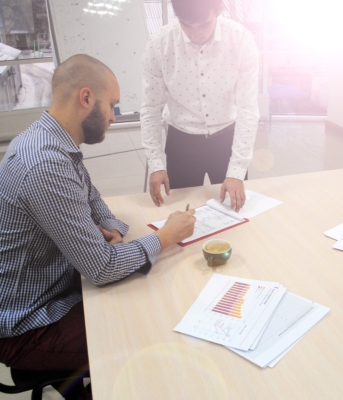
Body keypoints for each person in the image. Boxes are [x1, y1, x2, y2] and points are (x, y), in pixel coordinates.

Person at [0, 54, 196, 389]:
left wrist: (113, 233)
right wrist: (164, 236)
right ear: (86, 97)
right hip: (29, 324)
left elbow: (96, 204)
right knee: (150, 335)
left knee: (143, 298)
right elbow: (102, 270)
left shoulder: (54, 142)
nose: (114, 117)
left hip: (57, 288)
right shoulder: (45, 164)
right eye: (112, 106)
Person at [141, 0, 259, 212]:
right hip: (182, 142)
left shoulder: (241, 40)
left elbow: (248, 109)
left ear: (219, 9)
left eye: (204, 25)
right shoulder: (159, 44)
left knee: (235, 213)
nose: (195, 35)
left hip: (228, 140)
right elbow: (150, 109)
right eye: (186, 25)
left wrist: (237, 170)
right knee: (180, 215)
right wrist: (156, 165)